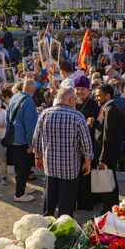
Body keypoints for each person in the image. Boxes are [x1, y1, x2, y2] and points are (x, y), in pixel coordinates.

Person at [32, 87, 93, 217]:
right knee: (66, 201)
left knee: (49, 196)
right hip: (69, 168)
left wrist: (37, 156)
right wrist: (88, 160)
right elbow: (86, 142)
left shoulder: (45, 114)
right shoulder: (77, 116)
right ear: (71, 99)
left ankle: (47, 221)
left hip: (50, 165)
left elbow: (36, 138)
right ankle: (64, 226)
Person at [6, 79, 38, 202]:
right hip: (23, 141)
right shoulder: (29, 101)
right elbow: (30, 125)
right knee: (23, 168)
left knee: (18, 167)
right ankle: (19, 194)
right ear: (33, 90)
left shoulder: (14, 97)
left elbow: (7, 118)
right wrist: (31, 144)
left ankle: (22, 188)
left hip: (13, 138)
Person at [93, 84, 122, 213]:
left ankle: (108, 210)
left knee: (107, 183)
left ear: (108, 95)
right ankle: (113, 207)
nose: (97, 98)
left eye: (99, 95)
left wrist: (102, 159)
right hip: (106, 153)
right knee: (111, 182)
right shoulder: (107, 108)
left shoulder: (110, 109)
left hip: (107, 154)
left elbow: (108, 137)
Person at [75, 76, 100, 211]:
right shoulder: (71, 102)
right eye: (77, 89)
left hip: (89, 146)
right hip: (74, 147)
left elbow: (99, 126)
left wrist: (92, 124)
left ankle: (86, 202)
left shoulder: (93, 105)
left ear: (88, 90)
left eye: (82, 89)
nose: (79, 92)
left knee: (87, 176)